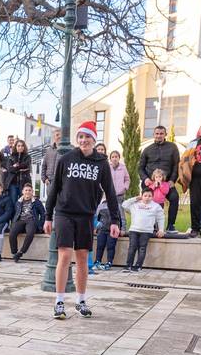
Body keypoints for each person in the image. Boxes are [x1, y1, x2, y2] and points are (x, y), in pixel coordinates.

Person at [44, 121, 121, 319]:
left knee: (81, 258)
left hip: (86, 215)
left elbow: (110, 193)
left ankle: (80, 300)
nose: (84, 140)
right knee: (64, 255)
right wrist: (47, 216)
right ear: (77, 139)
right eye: (81, 137)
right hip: (64, 213)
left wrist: (115, 221)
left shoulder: (101, 163)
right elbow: (54, 189)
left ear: (94, 140)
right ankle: (59, 302)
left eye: (88, 137)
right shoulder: (66, 158)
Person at [139, 125, 180, 232]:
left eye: (161, 133)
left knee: (174, 197)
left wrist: (172, 180)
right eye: (157, 133)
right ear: (153, 135)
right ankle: (149, 226)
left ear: (165, 135)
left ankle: (171, 225)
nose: (159, 136)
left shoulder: (172, 147)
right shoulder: (147, 149)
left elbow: (176, 165)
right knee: (146, 201)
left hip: (166, 183)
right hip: (150, 183)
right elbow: (140, 168)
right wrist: (145, 179)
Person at [122, 188, 165, 273]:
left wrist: (161, 229)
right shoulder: (135, 204)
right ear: (142, 196)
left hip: (146, 231)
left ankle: (138, 266)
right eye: (145, 195)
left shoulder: (156, 206)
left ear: (152, 197)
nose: (147, 197)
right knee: (132, 248)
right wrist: (135, 198)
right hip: (134, 230)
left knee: (142, 248)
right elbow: (124, 204)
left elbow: (161, 218)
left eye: (149, 196)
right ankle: (128, 265)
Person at [10, 183, 45, 262]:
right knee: (12, 233)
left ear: (32, 192)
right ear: (23, 191)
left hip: (31, 220)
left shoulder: (37, 202)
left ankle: (21, 252)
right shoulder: (18, 201)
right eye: (26, 190)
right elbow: (15, 213)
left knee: (30, 233)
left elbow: (43, 214)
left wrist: (41, 224)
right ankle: (14, 253)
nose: (28, 192)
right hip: (20, 220)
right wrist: (13, 222)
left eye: (29, 190)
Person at [3, 139, 32, 210]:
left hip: (24, 182)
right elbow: (10, 169)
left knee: (23, 202)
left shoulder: (27, 157)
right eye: (18, 146)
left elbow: (26, 165)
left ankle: (21, 219)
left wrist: (15, 166)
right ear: (15, 147)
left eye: (22, 146)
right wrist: (19, 168)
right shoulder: (11, 157)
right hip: (13, 183)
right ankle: (13, 220)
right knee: (13, 202)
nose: (20, 147)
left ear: (24, 147)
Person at [92, 200, 118, 271]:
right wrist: (95, 228)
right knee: (100, 246)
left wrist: (122, 228)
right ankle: (97, 261)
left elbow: (121, 218)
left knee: (111, 246)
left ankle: (109, 262)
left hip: (112, 230)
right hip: (102, 230)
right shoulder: (100, 206)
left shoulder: (117, 205)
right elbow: (97, 218)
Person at [41, 129, 62, 194]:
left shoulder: (68, 149)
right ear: (54, 137)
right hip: (50, 182)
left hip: (62, 182)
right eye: (57, 135)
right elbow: (44, 165)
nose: (59, 137)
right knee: (50, 203)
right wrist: (44, 179)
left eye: (61, 135)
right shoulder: (49, 150)